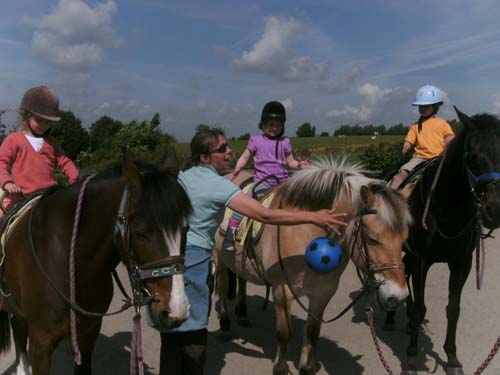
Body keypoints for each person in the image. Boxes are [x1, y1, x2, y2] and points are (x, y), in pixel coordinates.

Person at [156, 128, 347, 375]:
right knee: (192, 334)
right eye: (222, 148)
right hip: (193, 259)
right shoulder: (217, 185)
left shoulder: (185, 176)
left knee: (171, 334)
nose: (229, 152)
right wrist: (315, 216)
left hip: (171, 252)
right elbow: (264, 214)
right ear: (205, 157)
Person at [223, 101, 308, 250]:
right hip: (263, 182)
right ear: (262, 125)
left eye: (277, 125)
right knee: (245, 202)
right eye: (270, 125)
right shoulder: (256, 141)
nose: (274, 128)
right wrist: (238, 168)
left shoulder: (285, 142)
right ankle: (231, 232)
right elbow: (245, 156)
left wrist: (299, 165)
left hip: (283, 182)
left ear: (282, 126)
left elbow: (290, 161)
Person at [0, 86, 80, 215]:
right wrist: (7, 183)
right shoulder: (13, 140)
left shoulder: (52, 143)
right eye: (39, 120)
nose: (44, 125)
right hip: (21, 196)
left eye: (48, 122)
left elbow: (64, 161)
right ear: (27, 116)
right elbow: (1, 163)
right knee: (2, 216)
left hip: (49, 195)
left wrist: (76, 179)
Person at [390, 85, 455, 189]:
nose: (422, 109)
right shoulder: (415, 126)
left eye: (426, 106)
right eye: (420, 106)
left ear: (435, 107)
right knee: (403, 172)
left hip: (439, 157)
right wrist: (407, 144)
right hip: (419, 158)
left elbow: (451, 136)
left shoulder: (442, 123)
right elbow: (409, 139)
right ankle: (390, 194)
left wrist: (450, 138)